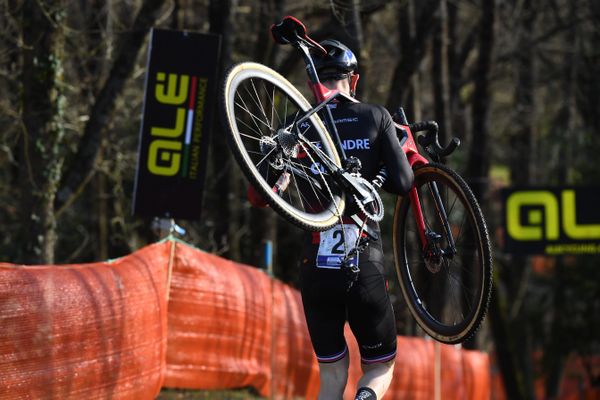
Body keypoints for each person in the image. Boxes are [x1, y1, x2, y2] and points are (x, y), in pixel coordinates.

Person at [249, 39, 413, 400]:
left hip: (316, 266)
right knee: (380, 366)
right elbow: (404, 183)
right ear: (353, 80)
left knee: (332, 374)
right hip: (364, 260)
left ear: (313, 83)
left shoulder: (298, 124)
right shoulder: (375, 116)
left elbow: (260, 195)